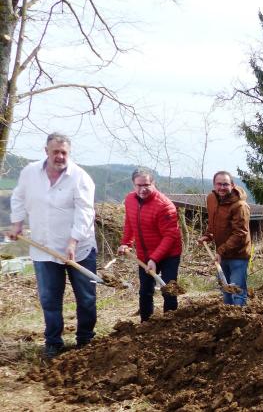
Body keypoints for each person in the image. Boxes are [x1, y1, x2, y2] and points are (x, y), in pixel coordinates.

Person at [8, 133, 98, 358]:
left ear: (69, 153)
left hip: (79, 249)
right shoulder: (30, 173)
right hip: (43, 248)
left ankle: (85, 339)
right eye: (55, 151)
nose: (60, 156)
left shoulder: (80, 178)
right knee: (49, 299)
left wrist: (73, 241)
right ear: (46, 151)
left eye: (64, 152)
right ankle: (53, 342)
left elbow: (86, 213)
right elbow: (18, 197)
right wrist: (17, 223)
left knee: (86, 297)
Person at [118, 168, 182, 322]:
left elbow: (170, 236)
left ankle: (170, 325)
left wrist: (155, 258)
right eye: (139, 185)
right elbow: (130, 223)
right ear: (134, 185)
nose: (143, 189)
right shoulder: (130, 200)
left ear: (153, 183)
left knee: (168, 290)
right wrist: (126, 243)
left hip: (169, 255)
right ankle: (146, 325)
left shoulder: (164, 205)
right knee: (145, 292)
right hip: (144, 254)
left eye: (146, 185)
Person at [198, 171, 252, 305]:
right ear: (214, 185)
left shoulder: (240, 205)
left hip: (238, 255)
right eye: (219, 184)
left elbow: (240, 233)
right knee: (225, 290)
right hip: (222, 254)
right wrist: (208, 235)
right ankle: (228, 315)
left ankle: (239, 315)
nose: (222, 187)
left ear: (232, 185)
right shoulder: (211, 199)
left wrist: (220, 251)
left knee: (237, 291)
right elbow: (214, 223)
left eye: (225, 184)